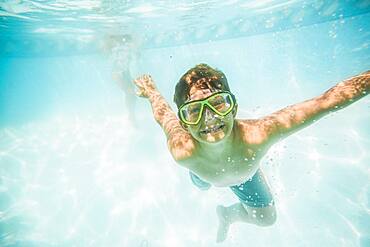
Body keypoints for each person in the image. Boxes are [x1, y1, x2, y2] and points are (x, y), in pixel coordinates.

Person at [133, 64, 369, 242]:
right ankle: (205, 184)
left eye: (218, 103)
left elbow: (326, 102)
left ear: (234, 106)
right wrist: (152, 92)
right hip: (201, 174)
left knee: (267, 219)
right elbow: (164, 117)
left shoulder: (259, 135)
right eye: (194, 111)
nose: (210, 118)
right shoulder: (183, 151)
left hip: (245, 176)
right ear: (184, 122)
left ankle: (227, 215)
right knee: (202, 185)